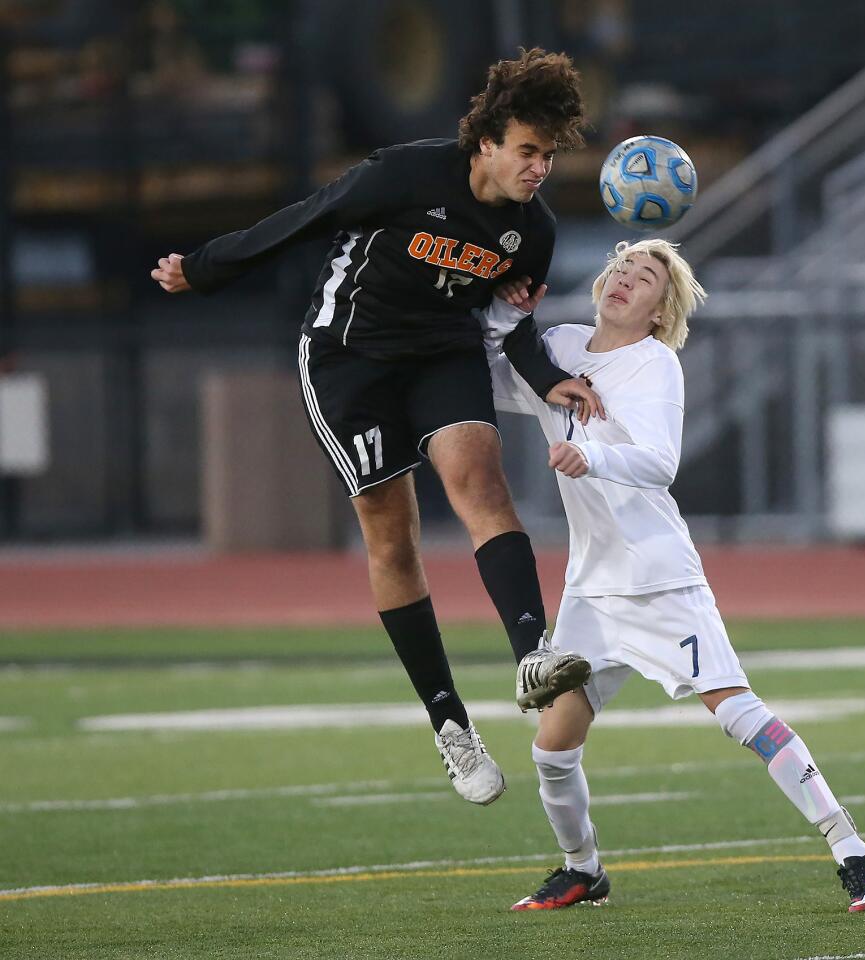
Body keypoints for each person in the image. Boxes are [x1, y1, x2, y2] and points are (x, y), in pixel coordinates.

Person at [150, 48, 600, 807]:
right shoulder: (405, 174)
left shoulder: (534, 229)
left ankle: (534, 654)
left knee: (482, 485)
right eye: (527, 151)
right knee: (392, 533)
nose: (538, 169)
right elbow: (309, 218)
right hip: (347, 358)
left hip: (441, 355)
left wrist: (547, 375)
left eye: (548, 156)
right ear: (485, 141)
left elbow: (511, 325)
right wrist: (206, 266)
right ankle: (449, 723)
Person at [481, 238, 865, 913]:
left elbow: (657, 462)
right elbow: (491, 382)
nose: (624, 279)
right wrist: (501, 320)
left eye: (644, 277)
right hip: (591, 586)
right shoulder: (557, 343)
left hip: (658, 577)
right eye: (620, 267)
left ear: (658, 309)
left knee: (736, 712)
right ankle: (581, 869)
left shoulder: (654, 366)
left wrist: (595, 459)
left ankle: (854, 849)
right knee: (552, 745)